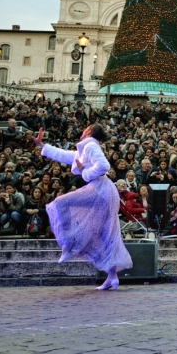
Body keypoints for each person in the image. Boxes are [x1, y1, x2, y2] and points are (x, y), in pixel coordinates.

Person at [34, 124, 132, 291]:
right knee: (105, 235)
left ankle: (68, 244)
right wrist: (44, 147)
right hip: (105, 191)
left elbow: (104, 166)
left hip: (100, 190)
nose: (83, 130)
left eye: (86, 128)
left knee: (59, 203)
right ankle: (112, 277)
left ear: (89, 132)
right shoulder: (86, 148)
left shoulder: (91, 145)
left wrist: (85, 172)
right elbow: (67, 156)